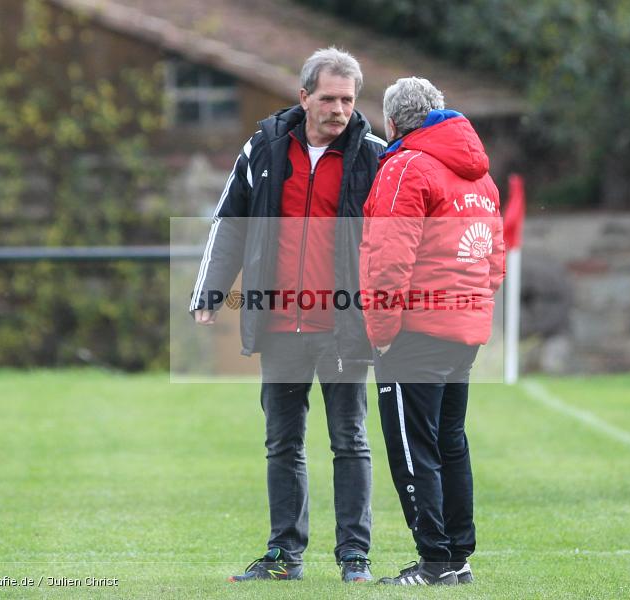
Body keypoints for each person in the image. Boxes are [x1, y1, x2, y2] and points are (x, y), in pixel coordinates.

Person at [190, 47, 386, 583]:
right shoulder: (263, 149)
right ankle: (284, 556)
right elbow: (229, 222)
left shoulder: (375, 154)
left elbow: (396, 243)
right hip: (279, 326)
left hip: (344, 326)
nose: (339, 109)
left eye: (347, 99)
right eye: (328, 98)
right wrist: (210, 290)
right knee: (282, 443)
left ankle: (354, 557)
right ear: (304, 97)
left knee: (350, 441)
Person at [359, 77, 505, 586]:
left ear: (393, 123)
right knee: (449, 443)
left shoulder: (404, 166)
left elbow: (387, 260)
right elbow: (494, 260)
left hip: (415, 333)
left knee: (411, 446)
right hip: (463, 331)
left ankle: (435, 562)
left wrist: (379, 330)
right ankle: (457, 559)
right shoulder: (480, 178)